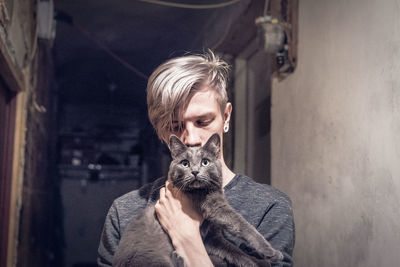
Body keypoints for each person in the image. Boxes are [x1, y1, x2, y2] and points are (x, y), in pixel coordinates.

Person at [97, 51, 295, 267]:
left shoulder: (270, 207)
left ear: (226, 117)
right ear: (160, 132)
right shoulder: (124, 211)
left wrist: (187, 237)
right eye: (175, 126)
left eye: (202, 122)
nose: (191, 139)